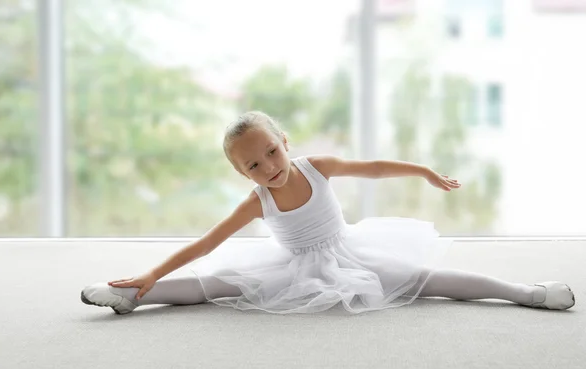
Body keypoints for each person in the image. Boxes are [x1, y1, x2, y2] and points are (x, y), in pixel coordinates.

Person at [81, 111, 575, 315]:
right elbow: (206, 244)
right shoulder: (258, 200)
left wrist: (423, 170)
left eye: (271, 152)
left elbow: (375, 167)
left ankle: (525, 294)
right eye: (253, 164)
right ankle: (133, 295)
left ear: (284, 143)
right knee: (217, 284)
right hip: (294, 266)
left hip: (350, 251)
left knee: (429, 278)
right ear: (243, 174)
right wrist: (150, 272)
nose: (268, 166)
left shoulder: (315, 168)